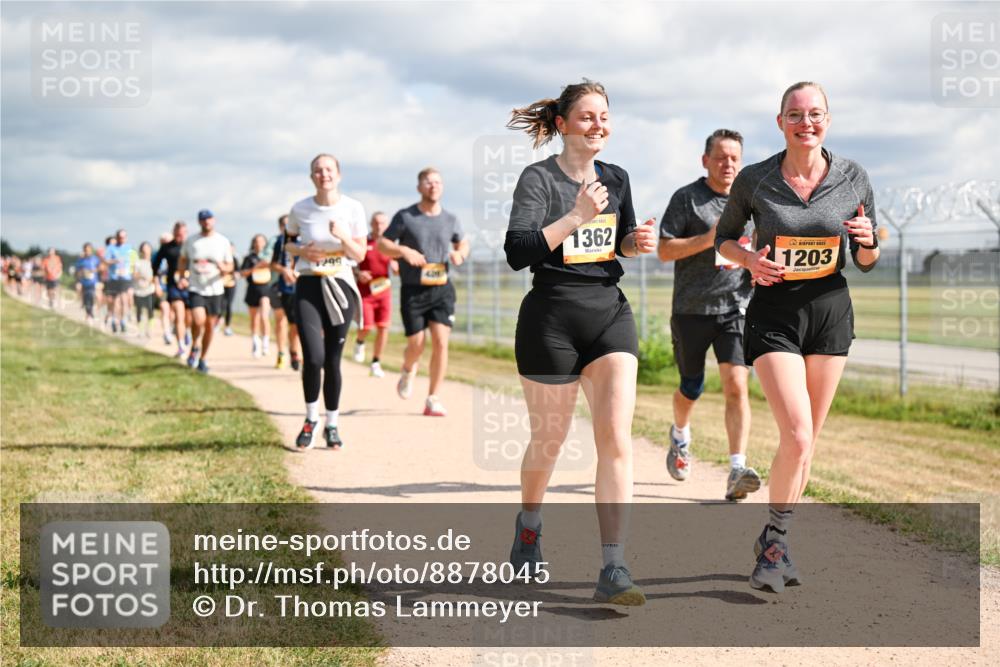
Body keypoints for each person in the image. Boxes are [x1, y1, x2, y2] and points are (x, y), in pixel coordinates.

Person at [715, 81, 880, 592]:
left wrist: (871, 242)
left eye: (815, 114)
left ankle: (777, 537)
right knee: (798, 434)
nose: (805, 122)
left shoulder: (853, 177)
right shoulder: (755, 179)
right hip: (775, 313)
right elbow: (724, 240)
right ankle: (772, 551)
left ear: (827, 119)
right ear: (780, 121)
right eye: (795, 114)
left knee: (807, 446)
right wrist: (749, 259)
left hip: (830, 311)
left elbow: (868, 260)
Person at [504, 81, 657, 605]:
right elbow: (518, 251)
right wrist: (575, 216)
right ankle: (529, 527)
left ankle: (614, 565)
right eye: (587, 117)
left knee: (615, 436)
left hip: (607, 312)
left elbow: (620, 243)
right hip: (550, 318)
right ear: (564, 124)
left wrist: (636, 244)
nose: (598, 125)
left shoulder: (617, 178)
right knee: (549, 441)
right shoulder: (538, 178)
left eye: (605, 117)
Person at [658, 129, 760, 501]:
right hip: (691, 309)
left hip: (735, 307)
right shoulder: (687, 199)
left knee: (737, 385)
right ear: (705, 161)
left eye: (734, 157)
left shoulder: (751, 202)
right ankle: (680, 436)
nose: (728, 164)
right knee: (692, 387)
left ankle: (736, 468)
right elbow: (664, 250)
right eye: (720, 157)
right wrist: (711, 238)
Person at [284, 154, 367, 449]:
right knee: (314, 357)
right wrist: (302, 252)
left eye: (328, 169)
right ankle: (311, 418)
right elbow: (288, 243)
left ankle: (332, 423)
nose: (323, 174)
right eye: (318, 170)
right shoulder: (300, 208)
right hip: (309, 285)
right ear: (312, 177)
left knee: (332, 360)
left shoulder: (353, 208)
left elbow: (360, 255)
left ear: (339, 175)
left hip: (341, 285)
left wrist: (343, 236)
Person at [379, 168, 469, 416]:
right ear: (419, 187)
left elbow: (463, 241)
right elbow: (383, 244)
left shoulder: (450, 218)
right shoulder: (406, 217)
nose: (433, 185)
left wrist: (460, 253)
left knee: (441, 342)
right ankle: (408, 369)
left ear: (442, 187)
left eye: (438, 182)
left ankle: (433, 398)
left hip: (442, 288)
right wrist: (404, 252)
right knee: (416, 345)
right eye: (428, 182)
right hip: (413, 290)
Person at [178, 210, 234, 374]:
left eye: (209, 219)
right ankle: (195, 344)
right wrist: (182, 276)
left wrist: (224, 268)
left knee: (210, 326)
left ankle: (202, 358)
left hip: (215, 289)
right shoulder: (192, 241)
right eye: (203, 219)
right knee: (198, 320)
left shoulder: (222, 241)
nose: (206, 222)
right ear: (199, 222)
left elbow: (230, 265)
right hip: (196, 287)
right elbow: (183, 259)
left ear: (214, 220)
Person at [353, 211, 398, 377]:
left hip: (384, 290)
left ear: (387, 225)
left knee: (384, 326)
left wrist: (396, 267)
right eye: (376, 223)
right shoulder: (364, 241)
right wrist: (359, 274)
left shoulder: (390, 244)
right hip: (365, 291)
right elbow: (352, 263)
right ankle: (359, 341)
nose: (379, 226)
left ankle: (376, 362)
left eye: (383, 223)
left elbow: (398, 265)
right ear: (371, 224)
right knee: (366, 325)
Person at [153, 222, 191, 358]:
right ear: (174, 233)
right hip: (173, 285)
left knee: (189, 317)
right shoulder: (167, 248)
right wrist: (156, 283)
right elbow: (155, 266)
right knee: (178, 314)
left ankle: (187, 333)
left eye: (182, 234)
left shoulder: (191, 246)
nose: (180, 236)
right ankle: (181, 346)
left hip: (190, 285)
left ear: (186, 233)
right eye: (177, 234)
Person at [270, 215, 302, 371]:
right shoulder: (279, 242)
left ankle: (294, 352)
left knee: (296, 324)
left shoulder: (303, 240)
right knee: (283, 321)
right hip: (284, 288)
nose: (288, 226)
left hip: (302, 286)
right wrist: (284, 270)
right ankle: (282, 352)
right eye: (284, 224)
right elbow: (273, 264)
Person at [241, 233, 273, 358]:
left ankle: (266, 342)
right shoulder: (249, 258)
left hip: (265, 289)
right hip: (252, 289)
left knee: (264, 316)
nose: (259, 244)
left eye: (261, 241)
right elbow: (243, 273)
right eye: (257, 241)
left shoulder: (269, 257)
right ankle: (256, 342)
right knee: (254, 319)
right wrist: (254, 268)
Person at [104, 229, 133, 333]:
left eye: (123, 237)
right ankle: (115, 320)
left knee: (124, 299)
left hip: (125, 277)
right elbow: (106, 261)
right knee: (116, 301)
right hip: (114, 278)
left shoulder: (129, 248)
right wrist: (115, 261)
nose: (121, 239)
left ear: (126, 238)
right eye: (120, 237)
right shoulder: (111, 248)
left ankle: (123, 321)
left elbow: (134, 261)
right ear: (116, 237)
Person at [133, 242, 157, 338]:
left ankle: (149, 330)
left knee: (150, 310)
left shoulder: (153, 262)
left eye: (147, 248)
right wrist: (142, 277)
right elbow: (134, 274)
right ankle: (140, 330)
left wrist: (151, 280)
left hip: (150, 290)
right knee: (139, 310)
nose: (146, 251)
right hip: (139, 290)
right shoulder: (138, 263)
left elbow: (156, 275)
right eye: (144, 249)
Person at [154, 232, 175, 345]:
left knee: (173, 311)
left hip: (173, 286)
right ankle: (166, 332)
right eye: (163, 241)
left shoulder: (177, 252)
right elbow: (154, 273)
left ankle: (172, 328)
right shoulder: (156, 255)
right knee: (164, 309)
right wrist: (156, 285)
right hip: (162, 287)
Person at [220, 243, 238, 337]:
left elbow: (238, 271)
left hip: (231, 284)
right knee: (221, 304)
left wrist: (236, 274)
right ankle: (218, 323)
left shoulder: (234, 259)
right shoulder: (221, 259)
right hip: (221, 285)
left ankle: (227, 326)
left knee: (228, 305)